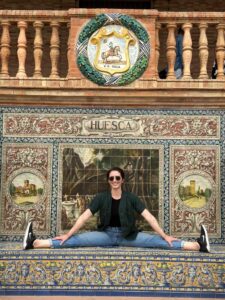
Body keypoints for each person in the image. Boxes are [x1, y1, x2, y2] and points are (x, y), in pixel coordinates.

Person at [23, 166, 210, 253]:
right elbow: (83, 217)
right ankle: (36, 242)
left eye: (117, 178)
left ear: (123, 180)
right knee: (75, 240)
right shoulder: (101, 198)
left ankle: (196, 245)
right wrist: (67, 234)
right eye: (111, 178)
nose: (114, 181)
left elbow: (150, 218)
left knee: (158, 242)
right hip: (106, 235)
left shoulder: (131, 198)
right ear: (108, 181)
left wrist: (166, 235)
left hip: (129, 236)